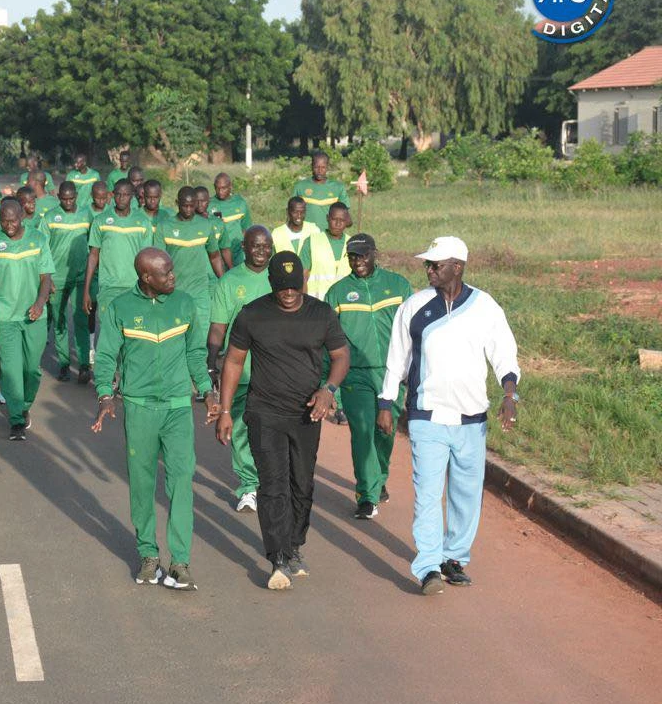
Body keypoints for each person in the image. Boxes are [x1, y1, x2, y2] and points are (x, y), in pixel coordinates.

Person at [377, 236, 520, 596]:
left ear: (457, 266)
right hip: (427, 416)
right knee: (427, 493)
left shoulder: (485, 307)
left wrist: (509, 394)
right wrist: (386, 402)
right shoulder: (415, 306)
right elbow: (398, 358)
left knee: (466, 494)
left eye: (435, 265)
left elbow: (504, 353)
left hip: (472, 419)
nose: (429, 270)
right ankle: (427, 567)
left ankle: (453, 557)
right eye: (428, 264)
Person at [212, 251, 350, 591]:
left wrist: (328, 390)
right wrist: (226, 410)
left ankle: (294, 547)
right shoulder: (252, 315)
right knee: (272, 485)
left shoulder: (321, 314)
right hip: (264, 412)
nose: (288, 294)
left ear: (302, 283)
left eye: (294, 288)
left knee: (301, 484)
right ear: (271, 284)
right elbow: (233, 362)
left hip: (307, 413)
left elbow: (340, 355)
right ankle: (277, 558)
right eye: (281, 288)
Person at [93, 248, 217, 591]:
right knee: (143, 484)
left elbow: (196, 353)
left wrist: (207, 391)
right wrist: (105, 394)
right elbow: (106, 355)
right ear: (147, 278)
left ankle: (180, 563)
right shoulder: (120, 308)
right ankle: (148, 555)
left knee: (180, 483)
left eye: (172, 271)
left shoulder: (185, 304)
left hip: (178, 408)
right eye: (166, 274)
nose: (173, 277)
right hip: (139, 408)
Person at [324, 235, 413, 519]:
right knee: (362, 431)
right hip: (355, 376)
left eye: (362, 256)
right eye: (352, 256)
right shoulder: (337, 293)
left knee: (384, 431)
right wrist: (331, 389)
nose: (357, 261)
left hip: (392, 373)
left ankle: (379, 477)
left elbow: (414, 330)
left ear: (375, 254)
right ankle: (366, 494)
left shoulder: (398, 286)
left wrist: (414, 370)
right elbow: (329, 342)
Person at [208, 226, 274, 513]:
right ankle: (249, 486)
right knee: (241, 429)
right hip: (241, 371)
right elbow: (218, 327)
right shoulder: (229, 282)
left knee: (271, 431)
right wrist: (211, 361)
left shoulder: (280, 278)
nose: (261, 251)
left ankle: (270, 482)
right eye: (255, 246)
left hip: (276, 372)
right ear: (244, 248)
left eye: (266, 246)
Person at [0, 198, 54, 440]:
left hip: (34, 317)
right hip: (6, 316)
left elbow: (46, 276)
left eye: (13, 220)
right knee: (10, 370)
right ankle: (16, 418)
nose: (9, 225)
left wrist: (40, 303)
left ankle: (24, 403)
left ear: (22, 217)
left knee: (31, 369)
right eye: (4, 220)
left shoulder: (38, 239)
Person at [39, 182, 94, 383]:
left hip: (80, 277)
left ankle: (84, 365)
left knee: (81, 319)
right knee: (59, 320)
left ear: (77, 196)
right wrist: (47, 277)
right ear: (59, 197)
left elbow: (94, 245)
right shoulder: (50, 217)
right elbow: (42, 249)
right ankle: (63, 363)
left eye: (71, 198)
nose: (68, 202)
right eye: (64, 198)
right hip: (57, 277)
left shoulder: (87, 215)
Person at [83, 179, 154, 329]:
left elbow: (147, 258)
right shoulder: (100, 221)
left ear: (133, 196)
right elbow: (93, 255)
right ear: (112, 195)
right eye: (118, 194)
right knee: (111, 335)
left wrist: (150, 289)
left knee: (133, 335)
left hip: (135, 287)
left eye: (126, 195)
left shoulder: (142, 222)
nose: (122, 198)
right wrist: (86, 290)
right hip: (108, 288)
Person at [159, 187, 223, 334]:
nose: (188, 210)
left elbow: (214, 256)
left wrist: (223, 279)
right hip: (174, 292)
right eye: (184, 206)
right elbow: (159, 262)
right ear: (177, 203)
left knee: (201, 334)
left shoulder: (206, 225)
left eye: (191, 206)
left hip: (200, 292)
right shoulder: (165, 227)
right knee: (177, 336)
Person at [302, 202, 352, 300]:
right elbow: (302, 276)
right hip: (317, 303)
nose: (338, 224)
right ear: (327, 218)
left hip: (345, 302)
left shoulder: (351, 244)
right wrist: (305, 303)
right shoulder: (312, 241)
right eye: (334, 219)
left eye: (342, 220)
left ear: (347, 221)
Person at [291, 151, 349, 233]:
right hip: (306, 234)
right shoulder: (300, 186)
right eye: (316, 167)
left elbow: (345, 215)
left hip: (329, 234)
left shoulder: (338, 187)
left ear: (327, 167)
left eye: (323, 167)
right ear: (311, 167)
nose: (320, 171)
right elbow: (292, 212)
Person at [211, 173, 252, 269]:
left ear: (230, 186)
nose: (220, 191)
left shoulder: (240, 203)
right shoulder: (209, 204)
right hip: (218, 254)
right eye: (217, 188)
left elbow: (246, 228)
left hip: (238, 252)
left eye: (224, 188)